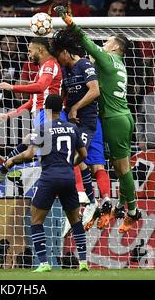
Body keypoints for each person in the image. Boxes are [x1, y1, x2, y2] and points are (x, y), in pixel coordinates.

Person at [57, 5, 141, 233]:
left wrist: (68, 20)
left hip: (114, 119)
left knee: (122, 168)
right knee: (118, 166)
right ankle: (120, 208)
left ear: (115, 46)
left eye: (107, 41)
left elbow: (86, 41)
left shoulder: (108, 59)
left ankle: (132, 212)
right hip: (121, 116)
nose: (104, 44)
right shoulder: (119, 65)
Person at [1, 94, 89, 272]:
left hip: (49, 178)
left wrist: (11, 161)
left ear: (46, 109)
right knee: (75, 221)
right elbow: (84, 155)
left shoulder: (43, 128)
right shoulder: (72, 128)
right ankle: (84, 262)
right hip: (68, 177)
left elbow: (28, 155)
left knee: (36, 219)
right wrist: (70, 164)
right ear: (61, 108)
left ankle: (43, 263)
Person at [0, 37, 64, 181]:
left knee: (43, 156)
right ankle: (2, 170)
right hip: (40, 114)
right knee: (29, 141)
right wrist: (8, 115)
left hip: (46, 114)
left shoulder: (50, 65)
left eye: (30, 51)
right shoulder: (41, 69)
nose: (28, 55)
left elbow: (41, 87)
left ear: (40, 49)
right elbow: (32, 101)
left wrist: (12, 87)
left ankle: (5, 169)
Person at [51, 29, 111, 231]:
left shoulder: (84, 65)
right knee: (85, 161)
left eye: (59, 55)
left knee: (78, 158)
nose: (58, 60)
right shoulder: (66, 69)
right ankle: (96, 202)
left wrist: (76, 108)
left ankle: (91, 202)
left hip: (87, 122)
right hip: (74, 122)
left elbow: (95, 90)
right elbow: (65, 94)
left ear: (66, 52)